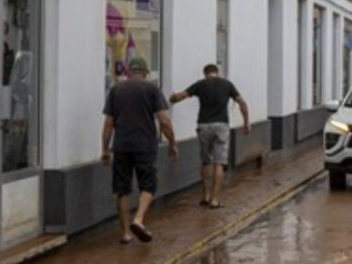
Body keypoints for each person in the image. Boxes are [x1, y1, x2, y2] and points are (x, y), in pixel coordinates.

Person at [101, 56, 177, 244]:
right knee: (148, 186)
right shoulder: (152, 89)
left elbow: (108, 124)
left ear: (128, 72)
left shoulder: (116, 90)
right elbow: (164, 120)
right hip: (144, 145)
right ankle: (139, 219)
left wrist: (105, 149)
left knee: (122, 189)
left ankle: (126, 233)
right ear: (145, 73)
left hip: (121, 146)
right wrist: (172, 143)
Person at [170, 64, 250, 209]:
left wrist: (172, 98)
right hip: (221, 126)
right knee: (219, 163)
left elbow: (181, 96)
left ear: (205, 73)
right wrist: (246, 122)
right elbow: (242, 102)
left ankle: (205, 196)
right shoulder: (227, 84)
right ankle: (215, 200)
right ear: (217, 72)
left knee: (206, 162)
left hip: (204, 126)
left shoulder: (200, 84)